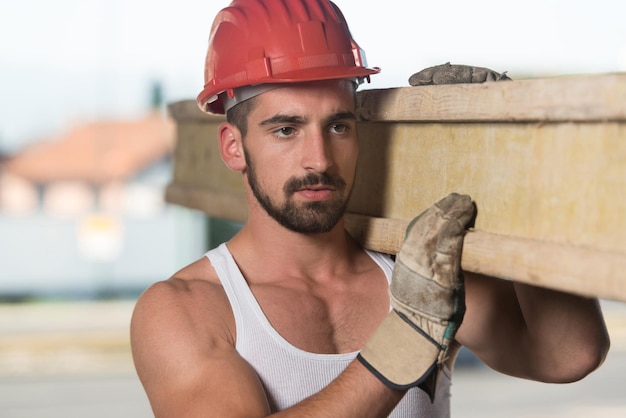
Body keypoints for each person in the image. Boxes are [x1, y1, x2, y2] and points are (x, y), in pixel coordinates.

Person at [130, 1, 610, 417]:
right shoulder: (188, 310)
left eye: (337, 126)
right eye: (286, 130)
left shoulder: (418, 273)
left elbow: (568, 355)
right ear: (233, 146)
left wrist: (517, 157)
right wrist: (402, 344)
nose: (318, 159)